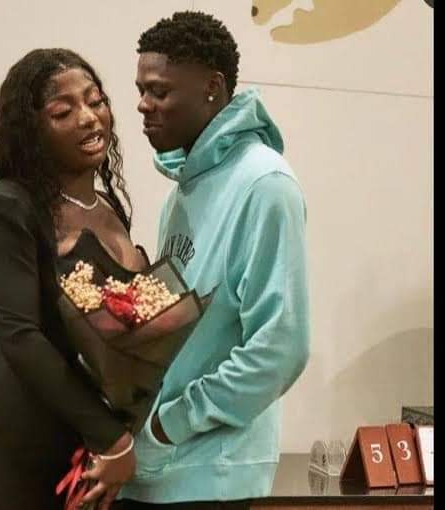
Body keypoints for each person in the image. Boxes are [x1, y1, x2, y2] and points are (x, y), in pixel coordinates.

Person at [117, 11, 310, 509]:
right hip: (154, 468)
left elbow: (280, 348)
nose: (143, 104)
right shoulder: (182, 192)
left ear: (212, 88)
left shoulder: (265, 185)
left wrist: (168, 425)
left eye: (159, 91)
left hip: (211, 477)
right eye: (140, 90)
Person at [0, 48, 147, 510]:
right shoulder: (8, 205)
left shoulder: (110, 210)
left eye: (95, 101)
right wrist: (113, 438)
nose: (88, 118)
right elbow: (20, 336)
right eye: (63, 111)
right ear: (32, 130)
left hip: (80, 446)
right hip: (9, 446)